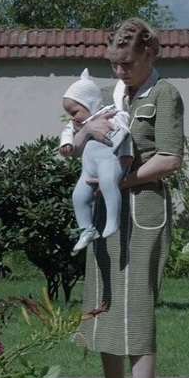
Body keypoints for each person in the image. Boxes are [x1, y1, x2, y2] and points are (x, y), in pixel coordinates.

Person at [62, 17, 184, 378]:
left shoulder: (165, 95)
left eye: (126, 63)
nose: (119, 71)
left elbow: (170, 159)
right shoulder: (106, 97)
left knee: (138, 302)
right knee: (105, 298)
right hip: (105, 209)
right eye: (113, 64)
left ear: (149, 53)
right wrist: (84, 135)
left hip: (144, 207)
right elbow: (75, 145)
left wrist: (122, 180)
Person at [59, 68, 133, 253]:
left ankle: (113, 220)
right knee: (78, 196)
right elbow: (67, 132)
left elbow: (125, 133)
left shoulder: (112, 113)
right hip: (89, 167)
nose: (72, 117)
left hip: (110, 160)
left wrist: (126, 153)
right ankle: (87, 230)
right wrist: (66, 144)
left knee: (108, 182)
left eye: (74, 112)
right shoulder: (77, 125)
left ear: (90, 103)